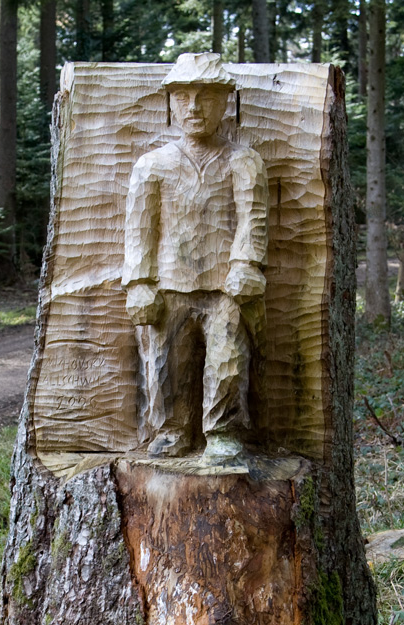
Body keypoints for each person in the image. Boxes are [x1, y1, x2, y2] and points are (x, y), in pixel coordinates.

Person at [122, 52, 269, 460]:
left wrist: (246, 263)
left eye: (206, 96)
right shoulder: (152, 166)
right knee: (166, 364)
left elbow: (253, 218)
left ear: (225, 102)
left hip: (226, 286)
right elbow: (139, 230)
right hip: (168, 284)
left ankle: (223, 431)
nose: (193, 106)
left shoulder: (243, 162)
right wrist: (139, 283)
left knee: (228, 361)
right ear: (170, 102)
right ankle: (170, 428)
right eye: (183, 96)